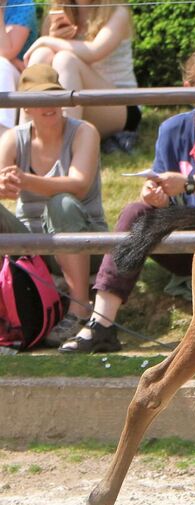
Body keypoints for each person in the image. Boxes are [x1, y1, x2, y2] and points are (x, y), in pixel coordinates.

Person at [60, 47, 195, 353]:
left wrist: (190, 184)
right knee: (136, 212)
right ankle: (102, 324)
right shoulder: (172, 128)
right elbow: (159, 184)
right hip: (190, 240)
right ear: (190, 89)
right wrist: (154, 195)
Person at [0, 64, 107, 346]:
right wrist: (4, 186)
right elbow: (3, 187)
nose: (49, 105)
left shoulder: (84, 131)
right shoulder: (13, 138)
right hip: (35, 245)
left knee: (62, 204)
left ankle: (80, 307)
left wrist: (25, 180)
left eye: (53, 96)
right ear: (26, 107)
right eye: (38, 99)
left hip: (87, 241)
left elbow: (79, 184)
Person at [23, 0, 141, 146]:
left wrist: (47, 40)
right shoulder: (57, 13)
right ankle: (23, 142)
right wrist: (52, 38)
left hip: (119, 105)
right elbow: (47, 53)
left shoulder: (117, 12)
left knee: (65, 59)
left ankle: (65, 147)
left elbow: (94, 51)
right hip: (78, 103)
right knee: (42, 54)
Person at [0, 0, 37, 135]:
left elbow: (6, 51)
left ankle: (2, 135)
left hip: (14, 79)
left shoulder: (23, 4)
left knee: (2, 65)